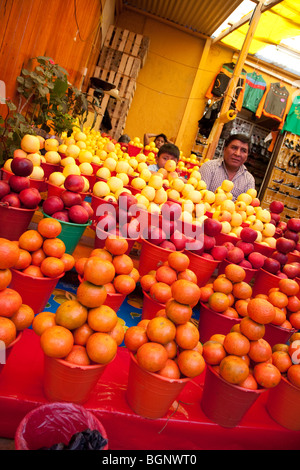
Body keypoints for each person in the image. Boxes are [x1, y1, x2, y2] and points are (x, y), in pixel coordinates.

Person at [199, 134, 256, 200]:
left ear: (247, 156)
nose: (237, 154)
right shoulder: (209, 168)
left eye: (243, 150)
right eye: (234, 148)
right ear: (225, 149)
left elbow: (248, 208)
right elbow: (198, 197)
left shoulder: (249, 180)